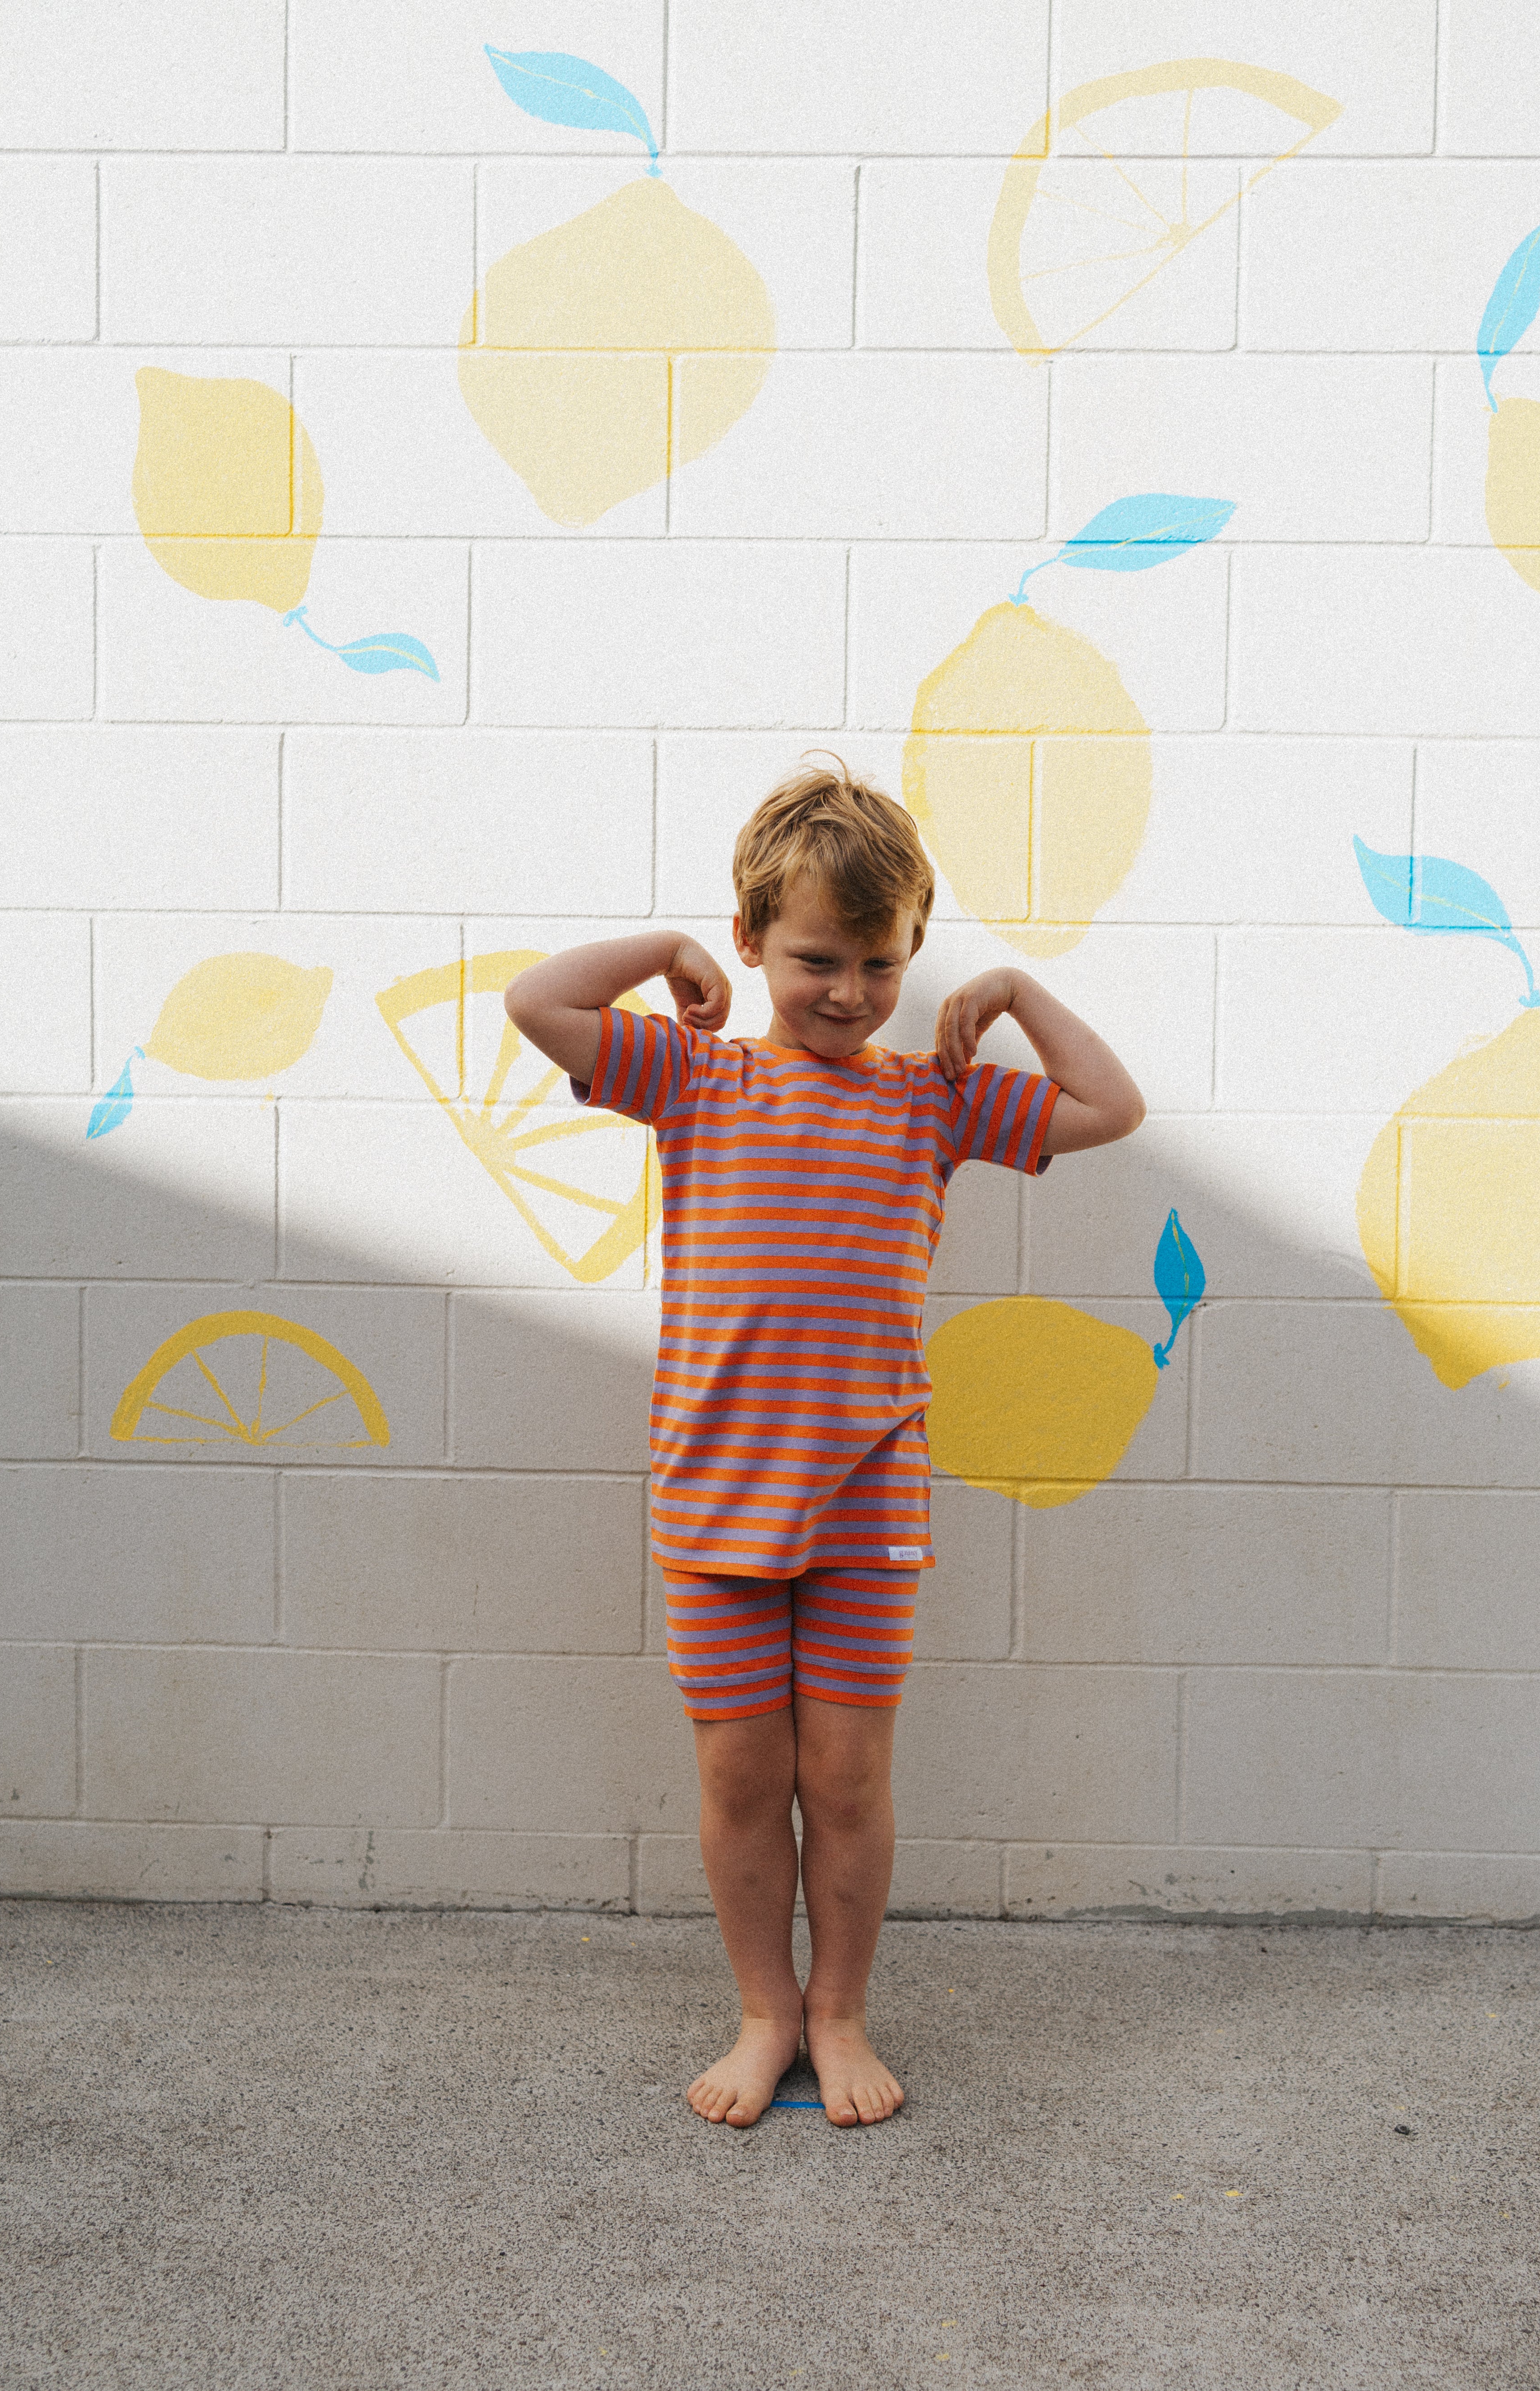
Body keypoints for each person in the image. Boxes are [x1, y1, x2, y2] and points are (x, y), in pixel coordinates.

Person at [504, 763, 1145, 2129]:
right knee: (742, 1779)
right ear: (750, 943)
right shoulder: (690, 1073)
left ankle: (842, 2011)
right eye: (811, 958)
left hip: (867, 1508)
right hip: (714, 1502)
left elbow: (1111, 1109)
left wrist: (1020, 995)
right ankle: (764, 2012)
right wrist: (665, 955)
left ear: (912, 955)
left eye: (877, 959)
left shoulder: (935, 1099)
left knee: (844, 1778)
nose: (846, 989)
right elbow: (537, 1004)